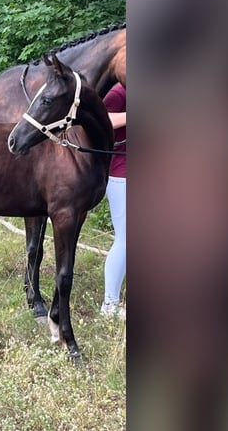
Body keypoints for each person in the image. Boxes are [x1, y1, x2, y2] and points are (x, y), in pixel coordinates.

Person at [101, 82, 127, 319]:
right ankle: (110, 304)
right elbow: (105, 119)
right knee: (126, 240)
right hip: (121, 175)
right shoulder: (119, 91)